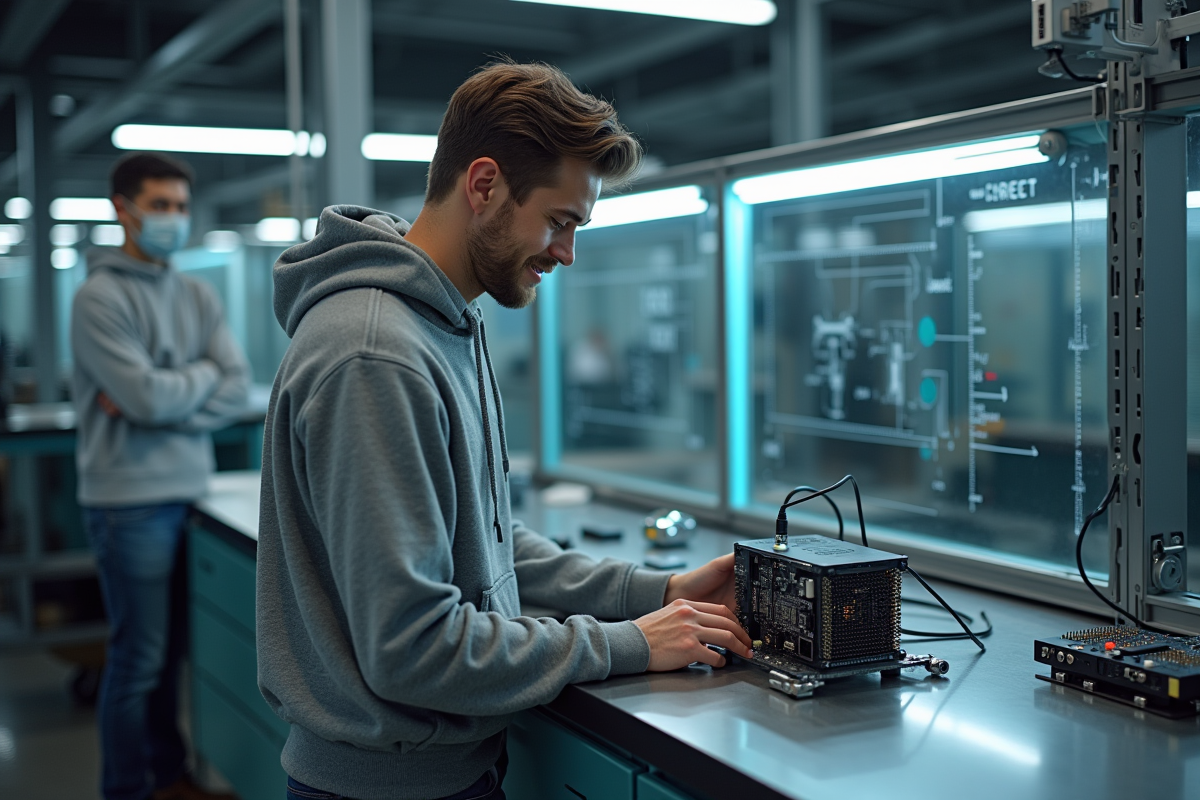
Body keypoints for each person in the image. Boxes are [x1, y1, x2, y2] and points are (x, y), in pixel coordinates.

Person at [257, 60, 753, 800]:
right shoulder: (375, 352)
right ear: (484, 185)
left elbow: (481, 540)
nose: (566, 252)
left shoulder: (445, 322)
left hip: (435, 771)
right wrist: (626, 645)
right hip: (386, 787)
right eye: (559, 221)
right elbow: (413, 650)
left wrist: (655, 590)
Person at [71, 152, 252, 800]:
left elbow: (236, 385)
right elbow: (144, 400)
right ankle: (126, 790)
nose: (173, 218)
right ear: (123, 208)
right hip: (129, 505)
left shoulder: (197, 294)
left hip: (190, 495)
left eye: (180, 206)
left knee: (175, 654)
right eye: (160, 205)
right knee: (138, 662)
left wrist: (172, 398)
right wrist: (190, 389)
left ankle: (171, 775)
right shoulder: (98, 298)